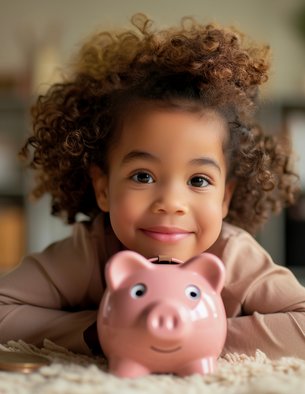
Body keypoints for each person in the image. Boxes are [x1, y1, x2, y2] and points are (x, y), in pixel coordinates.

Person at [0, 13, 304, 359]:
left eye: (198, 180)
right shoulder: (90, 251)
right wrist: (102, 329)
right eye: (143, 176)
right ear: (103, 187)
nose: (171, 202)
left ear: (225, 198)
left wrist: (201, 332)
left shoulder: (233, 256)